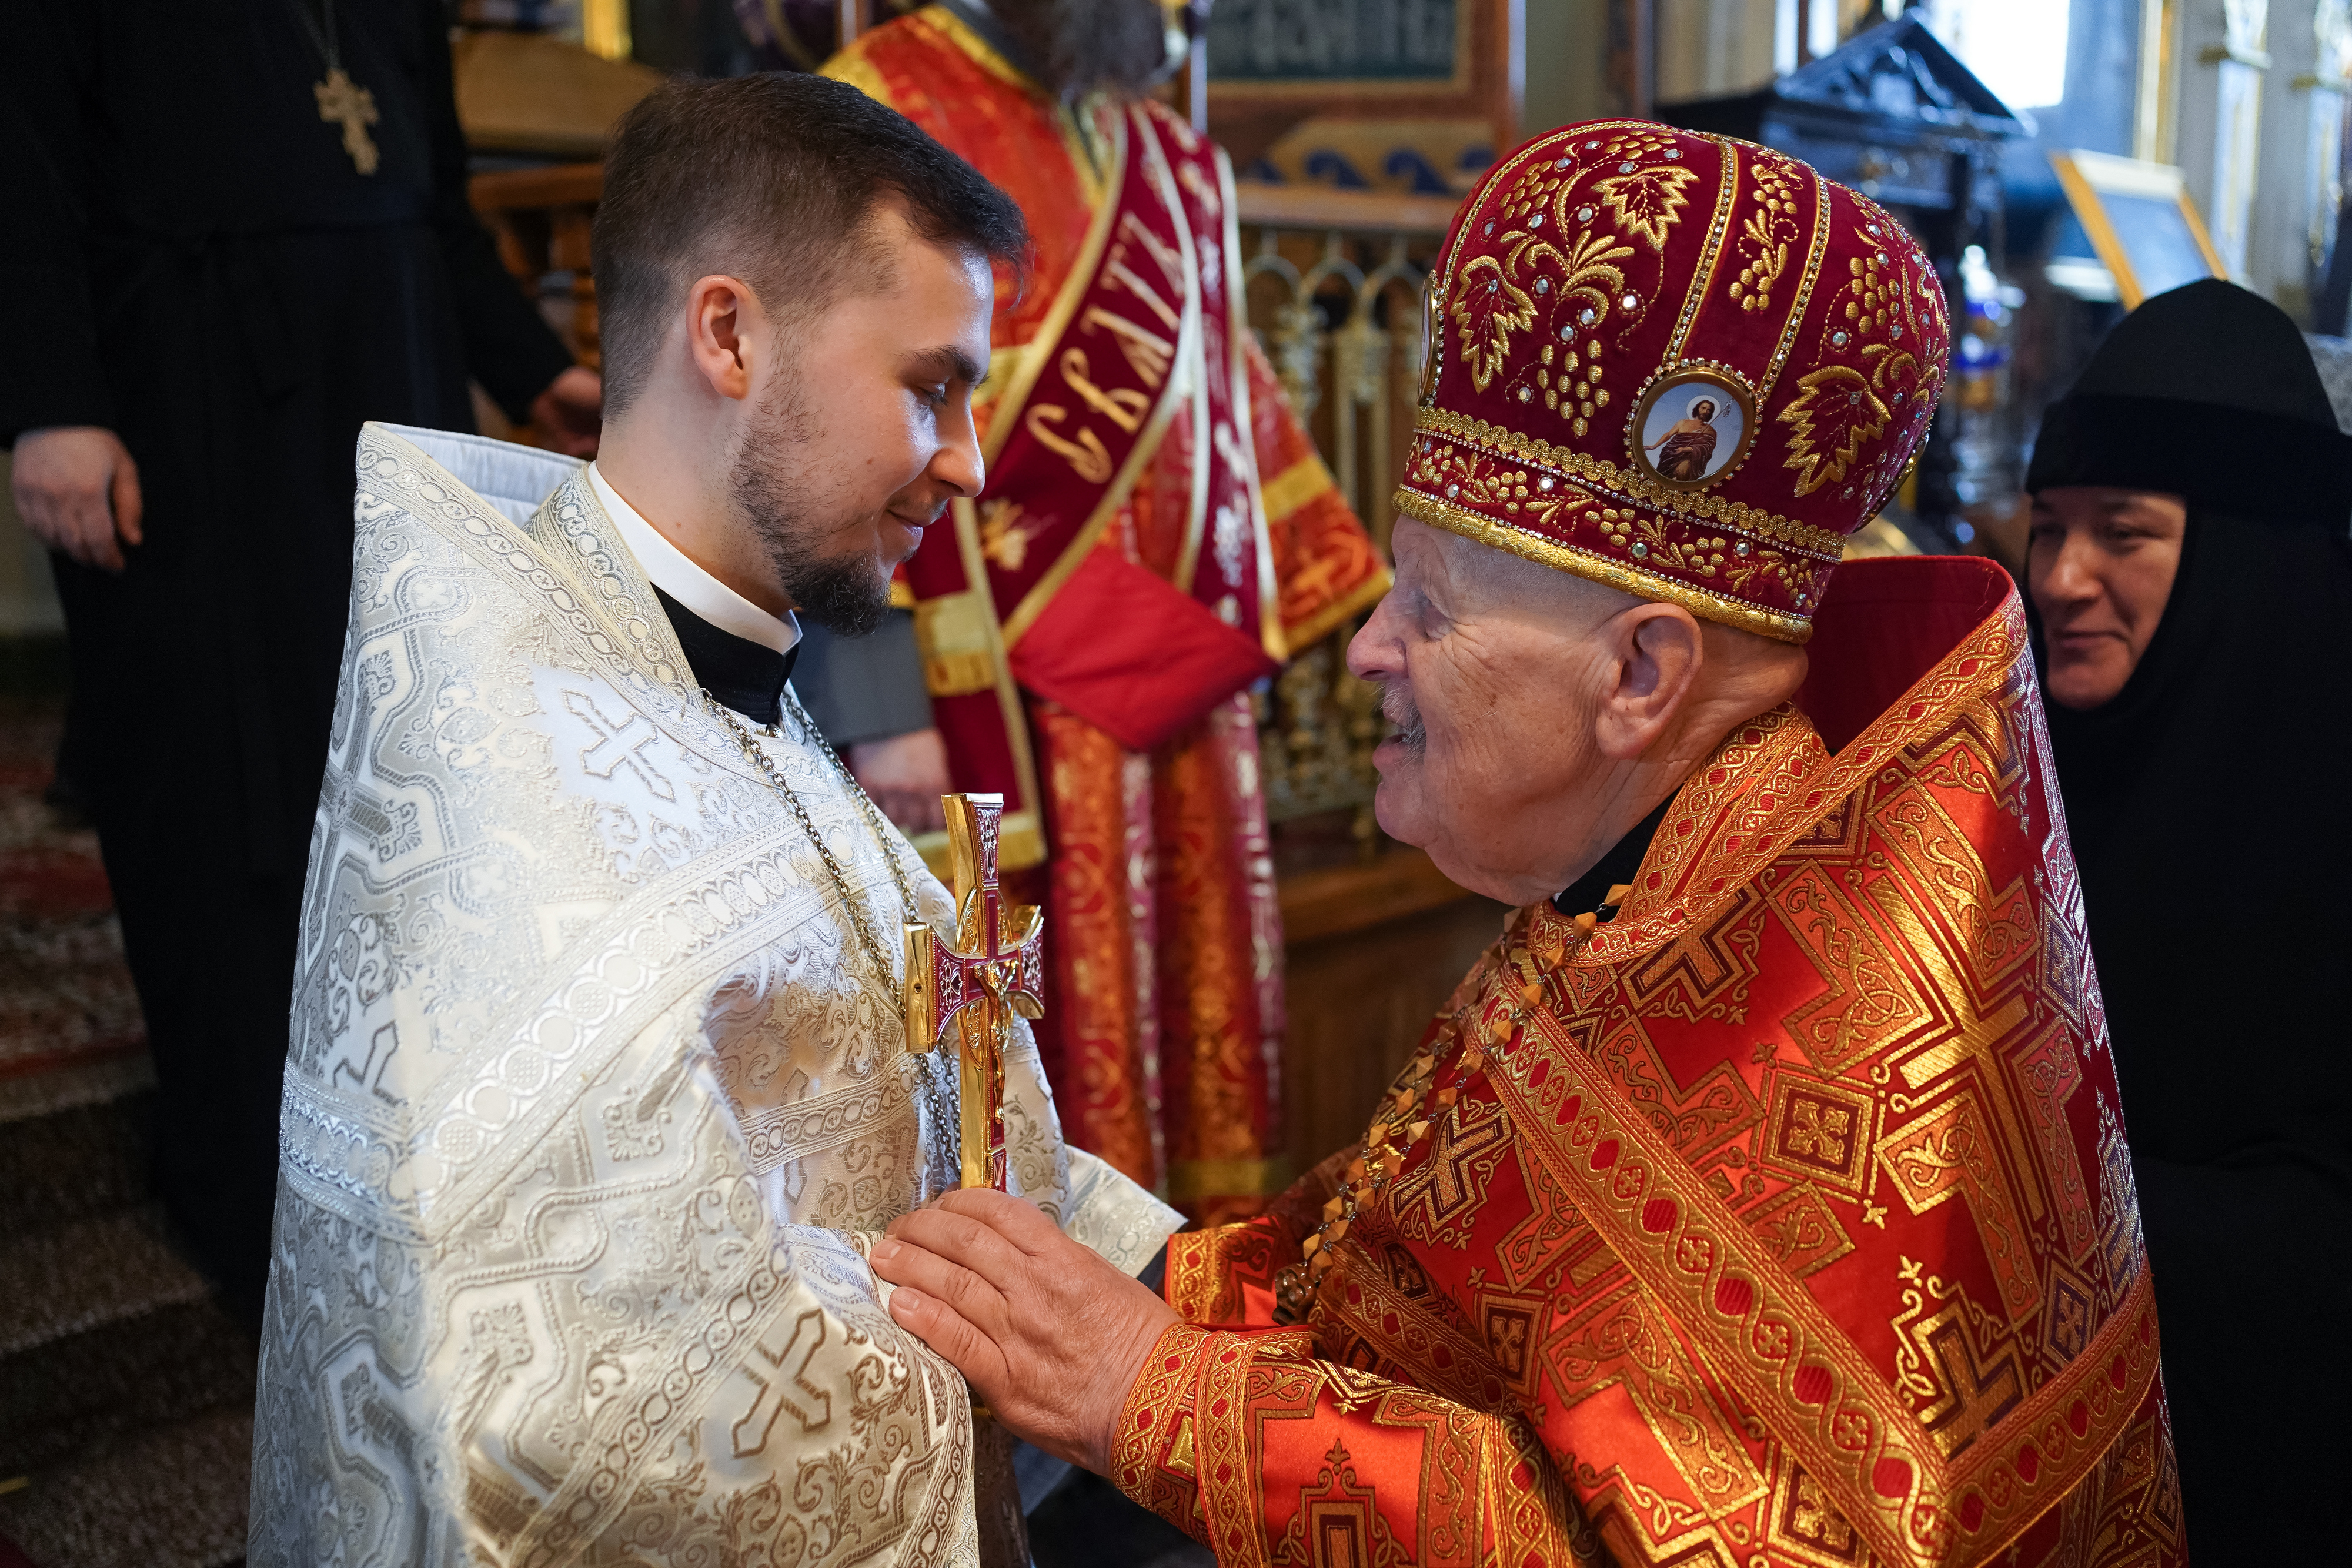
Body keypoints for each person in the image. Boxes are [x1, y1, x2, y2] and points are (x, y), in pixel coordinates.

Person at [864, 122, 2188, 1566]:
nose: (1365, 647)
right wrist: (1124, 1287)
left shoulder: (1841, 1042)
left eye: (1428, 608)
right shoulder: (1679, 869)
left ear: (1640, 675)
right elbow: (1391, 1271)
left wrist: (1152, 1391)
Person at [247, 73, 1181, 1565]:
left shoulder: (694, 661)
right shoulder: (522, 790)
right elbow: (553, 1425)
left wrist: (1171, 1296)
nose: (966, 458)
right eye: (929, 386)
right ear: (730, 335)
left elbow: (913, 1140)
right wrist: (1089, 1374)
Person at [0, 0, 600, 1331]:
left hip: (391, 378)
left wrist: (532, 369)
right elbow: (19, 160)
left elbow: (431, 200)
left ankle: (420, 1174)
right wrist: (48, 403)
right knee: (217, 806)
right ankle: (250, 1204)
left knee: (413, 787)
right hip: (187, 403)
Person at [822, 0, 1391, 1222]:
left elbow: (1230, 398)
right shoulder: (876, 104)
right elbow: (842, 423)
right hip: (997, 687)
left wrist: (1352, 602)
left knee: (1194, 997)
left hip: (1179, 677)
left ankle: (1180, 1269)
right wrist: (884, 698)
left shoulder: (1171, 158)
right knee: (1032, 1018)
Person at [2023, 277, 2351, 1562]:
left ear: (2239, 554)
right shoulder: (2020, 771)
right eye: (2047, 528)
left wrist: (2037, 1208)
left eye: (2122, 532)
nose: (2061, 578)